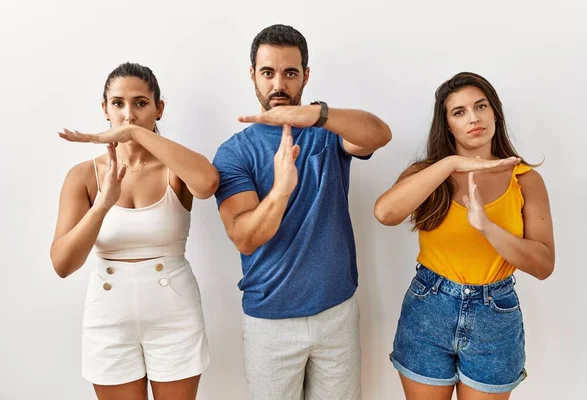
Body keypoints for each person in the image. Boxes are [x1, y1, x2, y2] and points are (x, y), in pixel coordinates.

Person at [212, 24, 392, 400]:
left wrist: (319, 115)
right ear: (253, 76)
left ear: (305, 76)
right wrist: (281, 189)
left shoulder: (327, 130)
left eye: (290, 72)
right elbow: (245, 238)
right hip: (270, 323)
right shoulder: (233, 153)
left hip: (336, 314)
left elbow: (379, 134)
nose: (279, 83)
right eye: (268, 72)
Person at [374, 72, 555, 400]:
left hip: (495, 317)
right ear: (447, 126)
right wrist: (452, 163)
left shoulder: (525, 180)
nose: (473, 118)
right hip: (429, 308)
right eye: (459, 112)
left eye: (480, 106)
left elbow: (543, 265)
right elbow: (385, 213)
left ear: (495, 113)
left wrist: (489, 229)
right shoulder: (427, 175)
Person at [51, 62, 218, 400]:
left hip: (174, 310)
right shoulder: (82, 176)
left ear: (159, 108)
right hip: (108, 315)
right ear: (105, 109)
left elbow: (208, 182)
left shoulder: (175, 167)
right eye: (118, 104)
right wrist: (102, 204)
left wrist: (136, 133)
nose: (128, 114)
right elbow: (63, 264)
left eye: (141, 103)